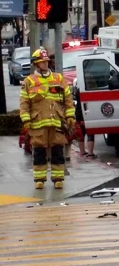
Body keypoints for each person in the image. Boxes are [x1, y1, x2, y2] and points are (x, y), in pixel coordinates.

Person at [19, 49, 75, 189]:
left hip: (56, 121)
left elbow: (68, 99)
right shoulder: (29, 81)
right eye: (42, 62)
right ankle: (40, 179)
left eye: (46, 62)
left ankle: (58, 178)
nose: (45, 64)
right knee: (39, 152)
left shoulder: (58, 79)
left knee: (57, 151)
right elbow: (24, 103)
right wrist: (26, 120)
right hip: (38, 124)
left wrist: (70, 116)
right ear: (36, 64)